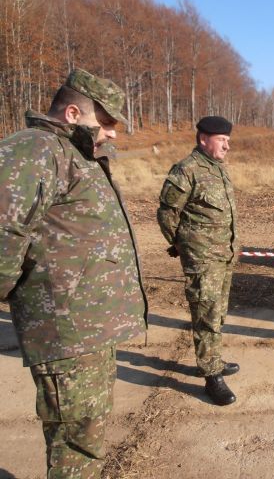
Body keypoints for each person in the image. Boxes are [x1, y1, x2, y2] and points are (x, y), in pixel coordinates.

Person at [0, 68, 148, 478]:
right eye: (106, 122)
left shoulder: (75, 154)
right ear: (72, 114)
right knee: (76, 447)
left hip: (86, 332)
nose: (113, 132)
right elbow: (5, 231)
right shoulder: (35, 150)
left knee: (85, 438)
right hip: (65, 333)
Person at [157, 116, 239, 406]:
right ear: (204, 139)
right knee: (206, 315)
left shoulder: (217, 169)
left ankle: (213, 358)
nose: (227, 146)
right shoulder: (186, 169)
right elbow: (167, 213)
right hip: (203, 260)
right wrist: (183, 246)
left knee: (218, 313)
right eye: (222, 140)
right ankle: (211, 376)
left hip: (224, 256)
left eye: (228, 140)